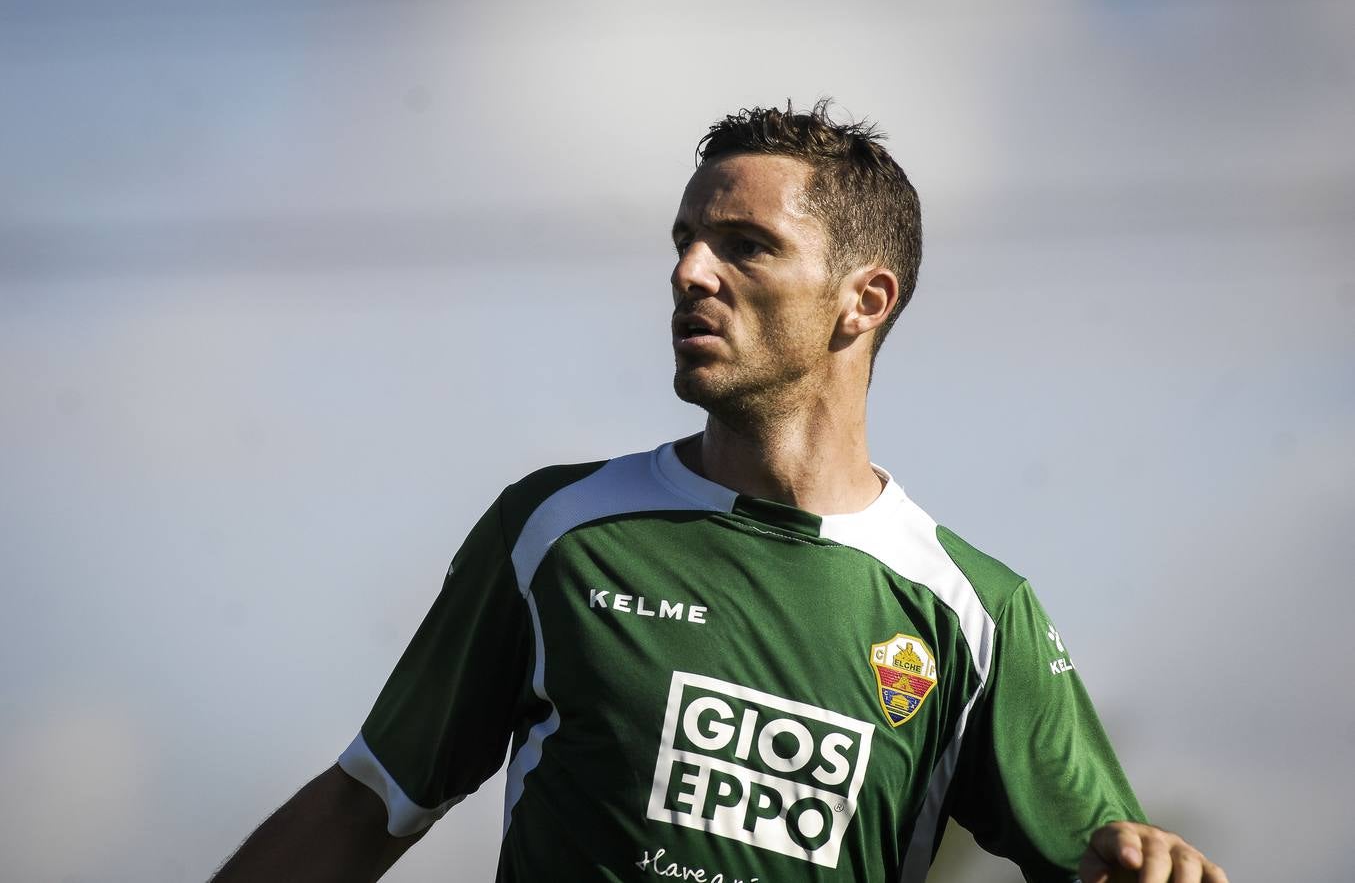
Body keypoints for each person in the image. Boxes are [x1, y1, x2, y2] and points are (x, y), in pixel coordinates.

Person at [212, 101, 1228, 883]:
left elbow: (1110, 855)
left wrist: (1152, 859)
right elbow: (363, 806)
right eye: (684, 241)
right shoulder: (557, 532)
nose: (690, 272)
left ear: (861, 301)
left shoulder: (974, 613)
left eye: (745, 245)